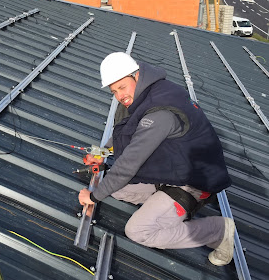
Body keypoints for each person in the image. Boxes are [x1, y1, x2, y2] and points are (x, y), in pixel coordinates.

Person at [78, 52, 235, 266]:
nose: (119, 96)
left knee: (138, 230)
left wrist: (93, 198)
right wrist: (100, 154)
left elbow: (129, 164)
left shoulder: (159, 112)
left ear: (137, 75)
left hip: (194, 181)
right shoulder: (142, 94)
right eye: (114, 91)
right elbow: (123, 132)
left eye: (122, 87)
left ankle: (219, 230)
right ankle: (166, 208)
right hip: (171, 168)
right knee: (114, 187)